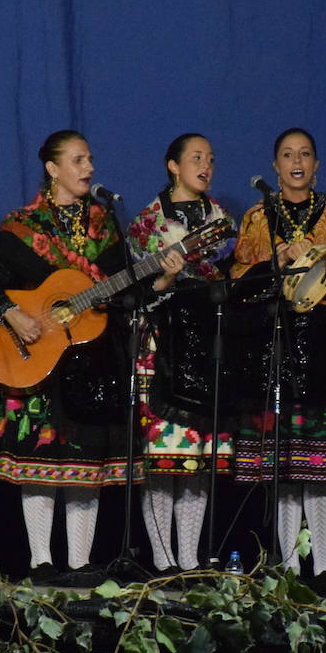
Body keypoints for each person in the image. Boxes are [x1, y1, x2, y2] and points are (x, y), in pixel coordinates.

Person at [0, 130, 183, 577]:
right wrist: (13, 315)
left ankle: (80, 563)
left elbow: (122, 291)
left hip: (93, 360)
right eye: (78, 160)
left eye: (90, 159)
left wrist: (160, 278)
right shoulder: (23, 224)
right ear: (52, 169)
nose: (88, 168)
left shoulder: (104, 223)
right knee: (41, 462)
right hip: (38, 357)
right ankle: (41, 561)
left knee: (85, 463)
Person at [229, 128, 326, 583]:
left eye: (305, 154)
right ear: (275, 166)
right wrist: (276, 263)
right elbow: (238, 283)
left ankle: (325, 566)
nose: (297, 161)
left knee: (321, 458)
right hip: (276, 342)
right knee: (285, 459)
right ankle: (289, 564)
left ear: (316, 164)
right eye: (287, 155)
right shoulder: (257, 217)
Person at [128, 133, 235, 573]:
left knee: (199, 458)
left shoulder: (225, 221)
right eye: (195, 158)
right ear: (172, 166)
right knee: (163, 454)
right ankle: (162, 558)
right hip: (163, 343)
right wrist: (166, 280)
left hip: (208, 340)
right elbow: (136, 293)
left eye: (210, 159)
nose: (205, 166)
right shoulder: (147, 224)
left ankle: (190, 559)